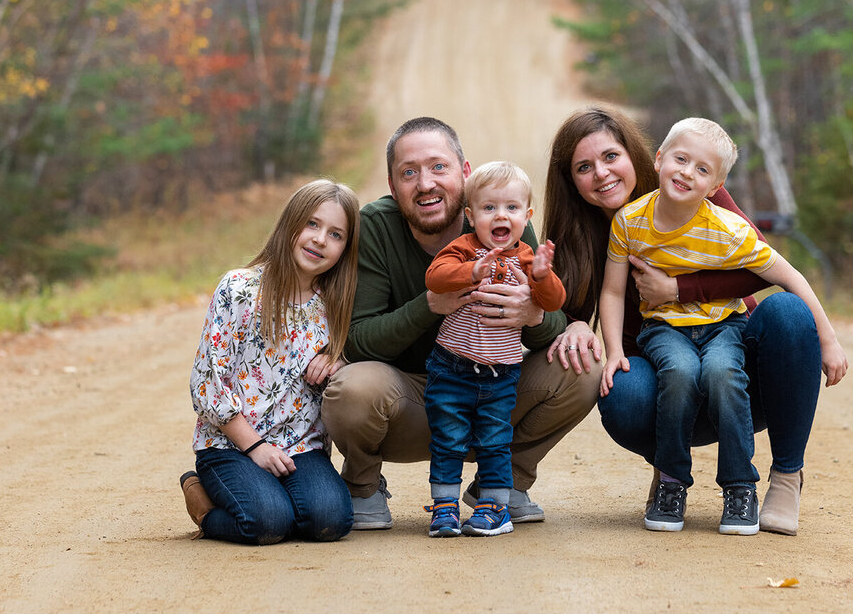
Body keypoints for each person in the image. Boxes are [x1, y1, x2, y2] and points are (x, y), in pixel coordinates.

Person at [543, 107, 835, 536]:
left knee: (788, 314)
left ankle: (782, 479)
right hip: (663, 364)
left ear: (642, 156)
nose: (601, 174)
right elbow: (574, 295)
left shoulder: (694, 186)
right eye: (583, 167)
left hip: (730, 353)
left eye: (610, 157)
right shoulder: (609, 226)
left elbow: (764, 265)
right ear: (571, 179)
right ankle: (670, 475)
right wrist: (573, 322)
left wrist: (679, 290)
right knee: (619, 388)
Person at [320, 117, 599, 530]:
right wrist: (430, 305)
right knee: (352, 389)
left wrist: (532, 315)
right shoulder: (376, 227)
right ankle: (363, 487)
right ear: (393, 186)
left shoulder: (503, 217)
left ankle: (502, 486)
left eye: (438, 167)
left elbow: (551, 321)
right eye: (409, 173)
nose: (426, 183)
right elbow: (360, 341)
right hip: (410, 398)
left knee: (583, 369)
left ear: (465, 174)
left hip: (494, 386)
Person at [179, 179, 358, 545]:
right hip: (231, 446)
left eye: (335, 234)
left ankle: (275, 498)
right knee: (268, 523)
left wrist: (339, 365)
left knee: (330, 521)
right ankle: (206, 507)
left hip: (300, 446)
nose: (320, 239)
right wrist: (255, 448)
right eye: (311, 224)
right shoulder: (240, 289)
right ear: (289, 224)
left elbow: (355, 369)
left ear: (345, 248)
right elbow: (206, 383)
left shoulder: (335, 306)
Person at [422, 161, 566, 537]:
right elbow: (434, 278)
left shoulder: (528, 259)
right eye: (489, 208)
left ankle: (493, 508)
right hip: (451, 367)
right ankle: (444, 508)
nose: (500, 215)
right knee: (448, 437)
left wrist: (541, 276)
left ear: (526, 216)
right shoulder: (463, 250)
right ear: (470, 216)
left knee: (495, 441)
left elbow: (553, 301)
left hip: (500, 374)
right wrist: (471, 272)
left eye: (512, 208)